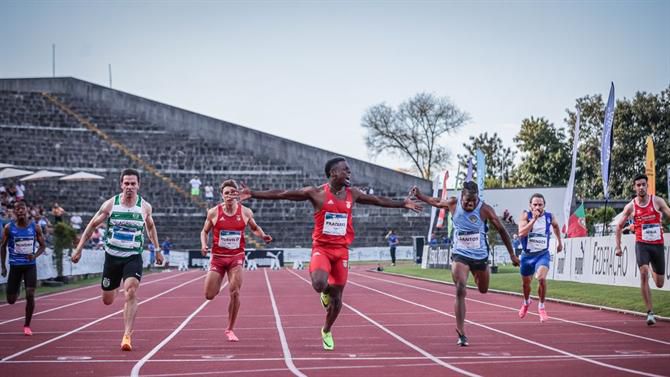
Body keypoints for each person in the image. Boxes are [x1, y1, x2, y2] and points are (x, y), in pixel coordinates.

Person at [239, 157, 422, 350]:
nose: (349, 173)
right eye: (346, 170)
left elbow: (378, 200)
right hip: (322, 249)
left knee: (337, 299)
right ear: (334, 173)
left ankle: (326, 330)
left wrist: (403, 203)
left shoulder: (353, 193)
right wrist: (253, 193)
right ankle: (325, 292)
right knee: (319, 284)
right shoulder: (316, 193)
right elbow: (284, 194)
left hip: (341, 252)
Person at [411, 181, 519, 346]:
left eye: (473, 201)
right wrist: (420, 196)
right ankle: (461, 332)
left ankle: (478, 274)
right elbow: (436, 201)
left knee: (483, 289)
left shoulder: (485, 209)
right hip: (460, 255)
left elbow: (502, 230)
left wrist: (512, 254)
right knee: (460, 288)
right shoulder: (453, 203)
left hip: (480, 256)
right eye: (467, 201)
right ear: (461, 197)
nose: (470, 204)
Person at [71, 168, 163, 351]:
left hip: (132, 257)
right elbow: (92, 225)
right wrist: (79, 248)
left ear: (138, 185)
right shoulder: (110, 204)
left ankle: (127, 335)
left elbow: (151, 228)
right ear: (121, 185)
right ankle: (114, 286)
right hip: (112, 257)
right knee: (107, 299)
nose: (129, 187)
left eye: (133, 183)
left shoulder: (145, 207)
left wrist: (157, 249)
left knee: (130, 292)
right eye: (126, 183)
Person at [200, 179, 273, 342]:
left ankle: (230, 329)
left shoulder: (245, 212)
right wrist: (204, 245)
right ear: (222, 195)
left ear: (237, 194)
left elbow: (254, 228)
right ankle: (217, 282)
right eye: (226, 193)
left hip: (236, 257)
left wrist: (263, 236)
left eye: (233, 192)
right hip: (218, 258)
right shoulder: (214, 212)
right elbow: (204, 232)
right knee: (209, 295)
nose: (230, 195)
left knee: (235, 291)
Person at [615, 173, 670, 326]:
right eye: (638, 185)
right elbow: (619, 227)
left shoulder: (657, 201)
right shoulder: (631, 206)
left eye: (643, 184)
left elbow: (668, 213)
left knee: (659, 283)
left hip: (657, 245)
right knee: (643, 273)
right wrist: (618, 247)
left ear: (647, 186)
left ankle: (653, 268)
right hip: (642, 244)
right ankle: (650, 312)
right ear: (634, 187)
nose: (641, 187)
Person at [1, 201, 46, 336]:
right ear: (14, 212)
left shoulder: (35, 227)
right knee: (11, 300)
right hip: (15, 266)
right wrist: (3, 266)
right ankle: (18, 288)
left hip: (29, 266)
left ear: (26, 210)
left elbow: (42, 245)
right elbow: (2, 247)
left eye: (22, 208)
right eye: (17, 209)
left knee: (30, 294)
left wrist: (35, 255)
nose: (20, 211)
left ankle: (27, 325)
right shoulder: (9, 228)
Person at [516, 193, 563, 322]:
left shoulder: (549, 217)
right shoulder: (526, 215)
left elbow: (556, 226)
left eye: (540, 204)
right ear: (530, 206)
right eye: (535, 204)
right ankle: (526, 302)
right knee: (526, 285)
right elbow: (521, 233)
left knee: (541, 278)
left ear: (544, 205)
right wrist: (534, 220)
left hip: (542, 254)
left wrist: (559, 242)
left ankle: (541, 306)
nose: (537, 207)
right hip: (527, 256)